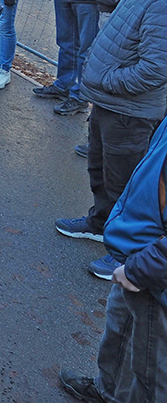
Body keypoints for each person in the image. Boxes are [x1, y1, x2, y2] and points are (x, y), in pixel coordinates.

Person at [54, 0, 167, 279]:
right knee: (101, 170)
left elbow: (155, 68)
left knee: (127, 184)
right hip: (111, 102)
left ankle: (126, 255)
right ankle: (100, 222)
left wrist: (108, 81)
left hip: (129, 110)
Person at [58, 115, 167, 403]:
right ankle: (108, 390)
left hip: (154, 269)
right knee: (120, 328)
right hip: (142, 253)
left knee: (152, 378)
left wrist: (146, 266)